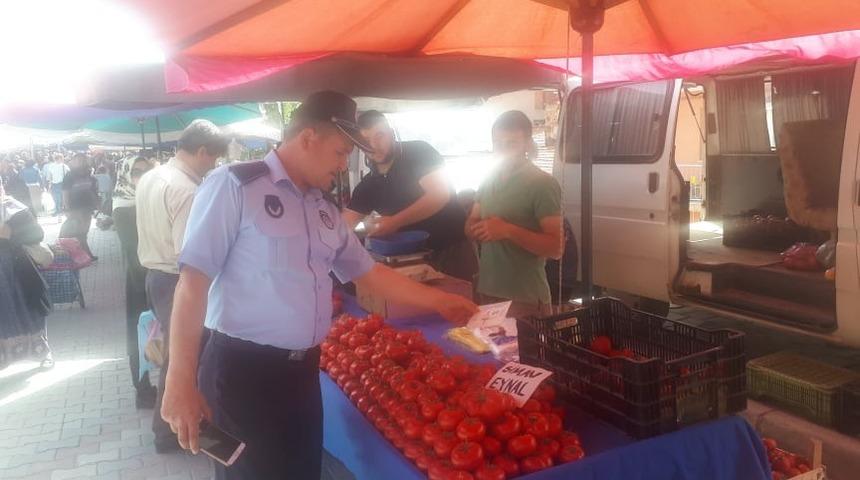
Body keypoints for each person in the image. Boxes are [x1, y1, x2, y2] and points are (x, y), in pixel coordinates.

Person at [160, 91, 478, 479]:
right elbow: (192, 284)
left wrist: (440, 301)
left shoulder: (323, 209)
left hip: (303, 374)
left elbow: (369, 273)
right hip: (241, 375)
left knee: (302, 472)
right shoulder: (235, 186)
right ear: (308, 138)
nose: (345, 165)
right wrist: (179, 380)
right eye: (341, 152)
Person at [136, 120, 229, 453]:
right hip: (176, 280)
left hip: (152, 275)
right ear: (202, 151)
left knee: (175, 355)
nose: (214, 166)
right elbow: (190, 257)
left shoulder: (151, 176)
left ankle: (167, 428)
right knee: (186, 357)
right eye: (214, 159)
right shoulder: (187, 190)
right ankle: (178, 431)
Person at [342, 111, 477, 281]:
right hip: (410, 261)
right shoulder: (368, 185)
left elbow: (440, 194)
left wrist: (394, 222)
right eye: (366, 140)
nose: (374, 145)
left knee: (465, 305)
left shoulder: (419, 152)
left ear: (391, 133)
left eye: (380, 135)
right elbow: (343, 225)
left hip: (452, 250)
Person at [465, 110, 563, 318]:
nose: (503, 150)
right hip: (488, 294)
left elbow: (556, 248)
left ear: (527, 144)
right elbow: (471, 224)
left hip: (524, 300)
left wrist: (508, 230)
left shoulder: (542, 183)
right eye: (497, 143)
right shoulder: (488, 179)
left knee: (528, 352)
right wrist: (476, 227)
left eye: (511, 143)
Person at [112, 156, 157, 408]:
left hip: (154, 274)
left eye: (146, 169)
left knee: (155, 334)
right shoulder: (122, 205)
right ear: (126, 174)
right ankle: (142, 389)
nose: (142, 175)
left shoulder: (148, 198)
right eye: (137, 171)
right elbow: (132, 249)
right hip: (139, 278)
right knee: (140, 334)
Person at [0, 181, 54, 371]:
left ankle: (43, 353)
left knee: (30, 310)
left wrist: (11, 234)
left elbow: (36, 234)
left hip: (19, 272)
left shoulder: (13, 207)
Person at [60, 154, 99, 260]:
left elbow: (93, 191)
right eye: (78, 160)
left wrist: (97, 205)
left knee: (83, 233)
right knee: (78, 233)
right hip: (75, 208)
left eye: (83, 160)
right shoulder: (70, 175)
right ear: (74, 162)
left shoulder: (89, 175)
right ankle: (83, 255)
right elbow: (65, 192)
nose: (81, 162)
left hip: (87, 208)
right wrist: (67, 208)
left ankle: (84, 255)